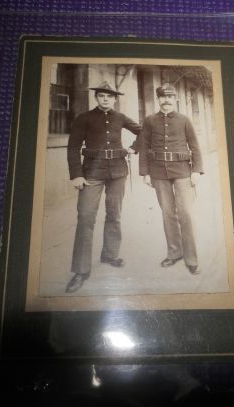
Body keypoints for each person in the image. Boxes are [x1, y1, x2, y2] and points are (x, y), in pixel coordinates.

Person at [66, 81, 141, 293]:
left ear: (115, 99)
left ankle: (110, 255)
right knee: (86, 217)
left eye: (109, 96)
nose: (105, 99)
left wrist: (133, 149)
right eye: (101, 96)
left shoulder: (120, 118)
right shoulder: (84, 118)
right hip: (91, 173)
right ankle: (81, 271)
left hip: (117, 172)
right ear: (96, 98)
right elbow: (72, 148)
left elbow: (143, 132)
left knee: (114, 214)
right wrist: (76, 175)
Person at [139, 83, 204, 274]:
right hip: (158, 172)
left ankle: (191, 259)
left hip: (183, 171)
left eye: (169, 96)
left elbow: (195, 146)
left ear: (174, 99)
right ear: (158, 99)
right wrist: (145, 173)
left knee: (186, 214)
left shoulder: (184, 120)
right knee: (168, 214)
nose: (166, 100)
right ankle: (174, 253)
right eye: (162, 97)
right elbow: (143, 147)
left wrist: (196, 171)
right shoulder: (150, 121)